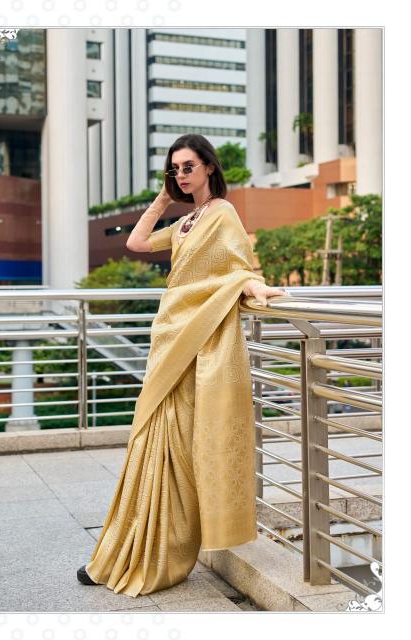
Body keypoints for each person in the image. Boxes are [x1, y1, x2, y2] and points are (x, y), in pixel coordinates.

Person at [77, 133, 288, 597]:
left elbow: (239, 267)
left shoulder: (223, 213)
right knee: (150, 439)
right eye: (175, 169)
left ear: (210, 166)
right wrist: (163, 197)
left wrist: (254, 287)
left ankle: (163, 552)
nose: (182, 174)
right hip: (169, 336)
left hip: (198, 340)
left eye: (189, 166)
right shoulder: (186, 221)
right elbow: (136, 241)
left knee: (177, 443)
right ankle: (122, 550)